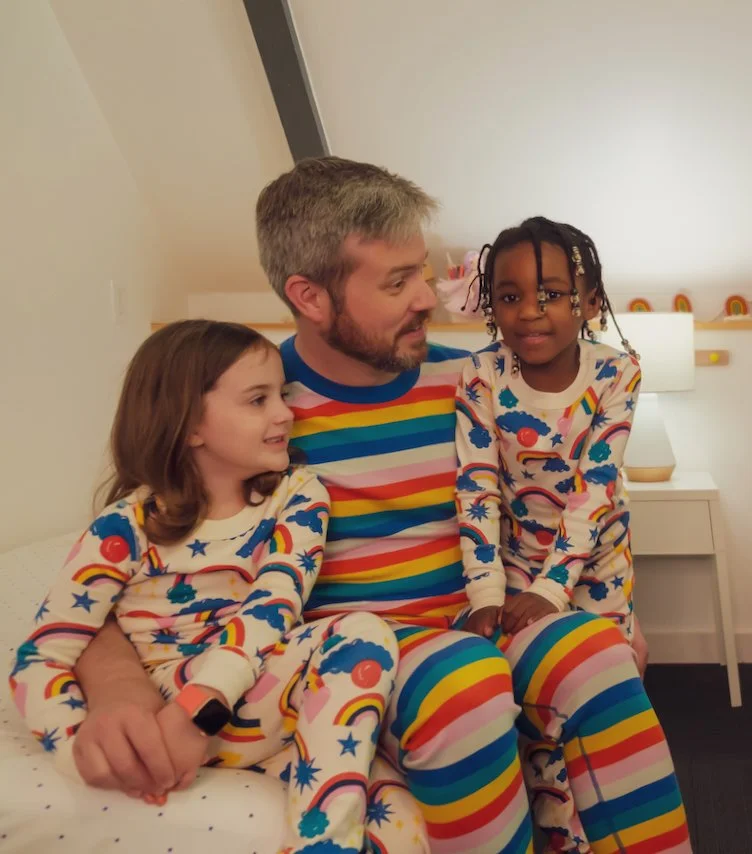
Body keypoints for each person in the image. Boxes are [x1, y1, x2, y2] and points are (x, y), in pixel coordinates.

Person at [71, 157, 689, 854]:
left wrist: (612, 614)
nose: (427, 298)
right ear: (310, 296)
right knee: (465, 683)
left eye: (421, 272)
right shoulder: (255, 413)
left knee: (596, 655)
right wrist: (119, 688)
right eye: (397, 282)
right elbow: (121, 566)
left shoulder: (476, 382)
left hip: (487, 617)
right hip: (367, 662)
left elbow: (572, 498)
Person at [10, 321, 400, 854]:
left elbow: (275, 602)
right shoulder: (125, 528)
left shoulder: (297, 494)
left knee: (395, 812)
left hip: (241, 697)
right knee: (361, 634)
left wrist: (200, 708)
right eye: (258, 400)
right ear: (190, 424)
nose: (285, 414)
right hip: (170, 712)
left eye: (282, 395)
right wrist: (93, 752)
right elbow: (42, 655)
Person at [455, 216, 647, 844]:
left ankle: (606, 833)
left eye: (552, 294)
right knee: (534, 721)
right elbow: (476, 486)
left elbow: (595, 491)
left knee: (600, 711)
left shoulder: (617, 372)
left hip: (594, 570)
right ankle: (555, 835)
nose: (530, 312)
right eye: (510, 296)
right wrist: (486, 593)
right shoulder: (481, 374)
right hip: (513, 566)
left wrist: (553, 590)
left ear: (589, 302)